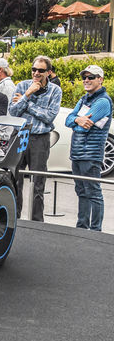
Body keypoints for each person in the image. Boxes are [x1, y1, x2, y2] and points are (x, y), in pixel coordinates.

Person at [9, 55, 62, 222]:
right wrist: (27, 93)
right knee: (14, 180)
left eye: (41, 70)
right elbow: (13, 112)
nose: (36, 73)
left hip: (40, 139)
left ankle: (37, 222)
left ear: (49, 72)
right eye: (34, 69)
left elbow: (49, 117)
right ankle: (14, 218)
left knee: (38, 182)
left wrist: (27, 102)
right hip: (19, 135)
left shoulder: (55, 90)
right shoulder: (22, 85)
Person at [64, 65, 111, 231]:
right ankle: (82, 228)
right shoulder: (84, 99)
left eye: (91, 77)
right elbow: (68, 120)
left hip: (91, 155)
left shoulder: (103, 101)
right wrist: (77, 120)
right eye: (85, 77)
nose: (86, 80)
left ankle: (96, 231)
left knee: (94, 193)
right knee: (81, 192)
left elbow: (81, 127)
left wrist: (76, 122)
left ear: (100, 79)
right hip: (77, 154)